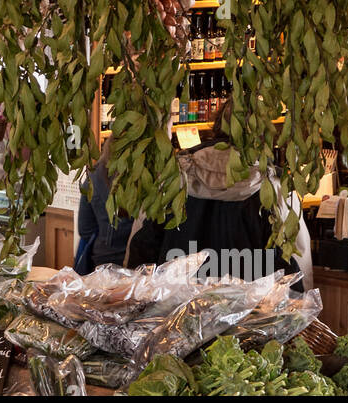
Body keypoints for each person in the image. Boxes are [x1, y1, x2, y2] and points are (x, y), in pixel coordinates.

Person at [124, 102, 313, 289]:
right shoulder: (275, 189)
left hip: (177, 312)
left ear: (217, 127)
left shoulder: (170, 180)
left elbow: (139, 256)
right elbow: (298, 264)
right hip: (253, 315)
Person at [74, 138, 135, 273]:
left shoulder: (93, 178)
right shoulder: (143, 179)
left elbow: (85, 229)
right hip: (137, 260)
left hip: (103, 258)